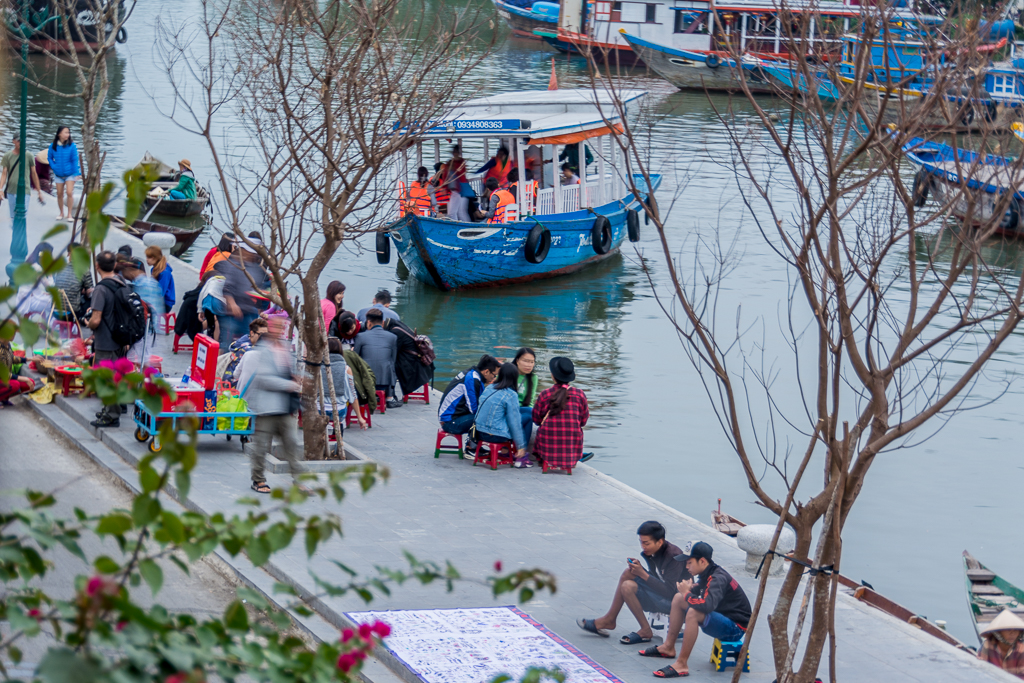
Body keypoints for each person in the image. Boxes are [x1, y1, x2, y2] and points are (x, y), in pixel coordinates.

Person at [648, 541, 751, 678]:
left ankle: (682, 664)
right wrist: (689, 590)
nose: (686, 566)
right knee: (679, 598)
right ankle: (668, 647)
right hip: (723, 618)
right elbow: (702, 592)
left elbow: (706, 606)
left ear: (702, 561)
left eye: (689, 562)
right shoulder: (708, 573)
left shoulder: (717, 578)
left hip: (735, 628)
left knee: (693, 612)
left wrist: (687, 593)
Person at [577, 521, 689, 645]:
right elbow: (657, 578)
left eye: (646, 543)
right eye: (641, 542)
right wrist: (640, 570)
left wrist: (643, 574)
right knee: (628, 580)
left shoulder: (674, 556)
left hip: (674, 603)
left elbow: (669, 591)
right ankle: (642, 628)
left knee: (631, 576)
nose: (643, 546)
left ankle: (610, 619)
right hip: (660, 595)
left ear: (660, 542)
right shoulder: (652, 553)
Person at [236, 315, 303, 494]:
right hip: (266, 407)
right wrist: (289, 385)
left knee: (291, 443)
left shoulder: (285, 348)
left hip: (283, 406)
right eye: (277, 327)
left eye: (282, 327)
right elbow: (264, 378)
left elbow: (287, 372)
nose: (279, 330)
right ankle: (258, 480)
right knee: (261, 446)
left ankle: (298, 479)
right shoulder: (263, 350)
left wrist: (295, 379)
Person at [86, 251, 129, 428]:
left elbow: (96, 319)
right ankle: (116, 406)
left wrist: (87, 323)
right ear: (114, 265)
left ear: (97, 266)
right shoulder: (122, 283)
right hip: (121, 338)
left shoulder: (101, 289)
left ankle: (112, 415)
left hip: (106, 340)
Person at [531, 357, 588, 470]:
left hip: (547, 448)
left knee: (541, 429)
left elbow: (536, 420)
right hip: (571, 448)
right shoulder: (580, 394)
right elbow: (583, 421)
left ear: (553, 376)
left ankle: (544, 460)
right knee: (577, 429)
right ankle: (571, 459)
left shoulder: (545, 394)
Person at [472, 363, 528, 466]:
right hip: (495, 435)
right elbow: (514, 423)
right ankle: (521, 455)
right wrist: (521, 446)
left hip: (479, 432)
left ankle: (506, 451)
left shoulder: (489, 387)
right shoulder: (511, 394)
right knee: (527, 418)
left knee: (527, 411)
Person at [437, 354, 501, 443]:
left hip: (453, 417)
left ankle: (474, 445)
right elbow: (474, 409)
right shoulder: (472, 379)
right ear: (486, 372)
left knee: (485, 415)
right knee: (483, 418)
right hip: (449, 422)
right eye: (494, 375)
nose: (494, 378)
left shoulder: (474, 375)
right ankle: (471, 447)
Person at [213, 239, 266, 346]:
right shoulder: (233, 265)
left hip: (248, 310)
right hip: (231, 313)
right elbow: (227, 287)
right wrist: (232, 304)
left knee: (250, 341)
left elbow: (258, 288)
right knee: (226, 343)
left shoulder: (256, 269)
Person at [320, 336, 368, 442]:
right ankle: (338, 438)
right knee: (340, 414)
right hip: (339, 410)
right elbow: (352, 395)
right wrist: (360, 417)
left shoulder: (317, 368)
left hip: (320, 409)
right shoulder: (346, 369)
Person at [353, 308, 401, 409]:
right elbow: (393, 359)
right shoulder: (392, 337)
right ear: (382, 323)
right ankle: (389, 397)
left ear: (369, 323)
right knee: (389, 363)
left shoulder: (360, 336)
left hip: (365, 381)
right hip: (385, 381)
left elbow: (355, 358)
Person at [382, 317, 434, 400]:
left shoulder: (396, 332)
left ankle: (390, 396)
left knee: (390, 368)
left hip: (413, 364)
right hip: (417, 360)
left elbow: (393, 351)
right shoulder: (398, 325)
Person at [0, 133, 46, 218]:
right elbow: (4, 173)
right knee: (13, 216)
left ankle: (18, 230)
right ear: (13, 141)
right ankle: (15, 229)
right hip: (11, 190)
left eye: (22, 141)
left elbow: (34, 173)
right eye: (18, 141)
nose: (20, 143)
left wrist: (39, 192)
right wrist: (0, 189)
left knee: (22, 215)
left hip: (25, 190)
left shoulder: (29, 155)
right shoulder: (7, 156)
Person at [222, 316, 268, 388]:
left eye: (266, 335)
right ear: (252, 333)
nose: (264, 338)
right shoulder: (248, 350)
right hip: (233, 388)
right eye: (261, 335)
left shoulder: (243, 341)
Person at [977, 609, 1024, 679]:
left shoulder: (1021, 648)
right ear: (999, 632)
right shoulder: (988, 645)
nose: (1012, 633)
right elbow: (981, 670)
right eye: (1008, 630)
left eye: (1016, 630)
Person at [54, 242, 93, 322]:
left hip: (55, 310)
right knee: (91, 298)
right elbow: (90, 292)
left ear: (68, 254)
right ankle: (84, 320)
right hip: (71, 312)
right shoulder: (84, 270)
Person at [48, 126, 81, 221]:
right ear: (59, 134)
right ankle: (61, 213)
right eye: (65, 132)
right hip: (58, 174)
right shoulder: (53, 146)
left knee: (69, 192)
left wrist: (77, 173)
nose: (68, 134)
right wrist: (54, 166)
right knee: (59, 194)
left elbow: (75, 160)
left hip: (69, 174)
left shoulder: (72, 146)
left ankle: (69, 214)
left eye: (68, 132)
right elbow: (50, 157)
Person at [513, 348, 538, 450]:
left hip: (522, 411)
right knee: (530, 413)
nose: (529, 365)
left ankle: (522, 450)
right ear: (517, 360)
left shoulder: (533, 378)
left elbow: (530, 401)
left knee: (530, 414)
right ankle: (522, 452)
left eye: (531, 362)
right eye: (525, 361)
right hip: (507, 411)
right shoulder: (508, 373)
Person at [0, 339, 35, 407]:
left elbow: (12, 358)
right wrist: (22, 378)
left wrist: (31, 359)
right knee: (15, 385)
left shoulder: (7, 344)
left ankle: (4, 398)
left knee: (31, 382)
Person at [145, 246, 175, 313]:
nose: (147, 260)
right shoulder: (153, 269)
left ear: (156, 258)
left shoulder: (165, 273)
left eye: (149, 257)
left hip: (165, 303)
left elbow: (161, 292)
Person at [444, 145, 471, 222]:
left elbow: (461, 174)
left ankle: (468, 227)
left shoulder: (461, 162)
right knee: (455, 212)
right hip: (453, 191)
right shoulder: (449, 164)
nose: (455, 154)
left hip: (460, 190)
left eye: (456, 152)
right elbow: (446, 178)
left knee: (460, 212)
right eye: (454, 152)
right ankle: (461, 226)